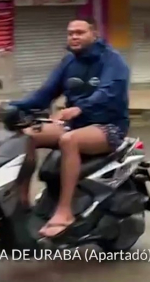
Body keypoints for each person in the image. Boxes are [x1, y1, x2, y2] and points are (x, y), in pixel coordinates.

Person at [9, 18, 130, 238]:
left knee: (69, 140)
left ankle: (64, 212)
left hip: (109, 127)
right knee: (25, 135)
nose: (74, 36)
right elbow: (44, 94)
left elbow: (108, 93)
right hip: (75, 124)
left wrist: (80, 108)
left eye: (79, 32)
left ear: (94, 34)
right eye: (70, 33)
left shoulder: (113, 60)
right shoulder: (68, 62)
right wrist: (13, 106)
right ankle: (22, 202)